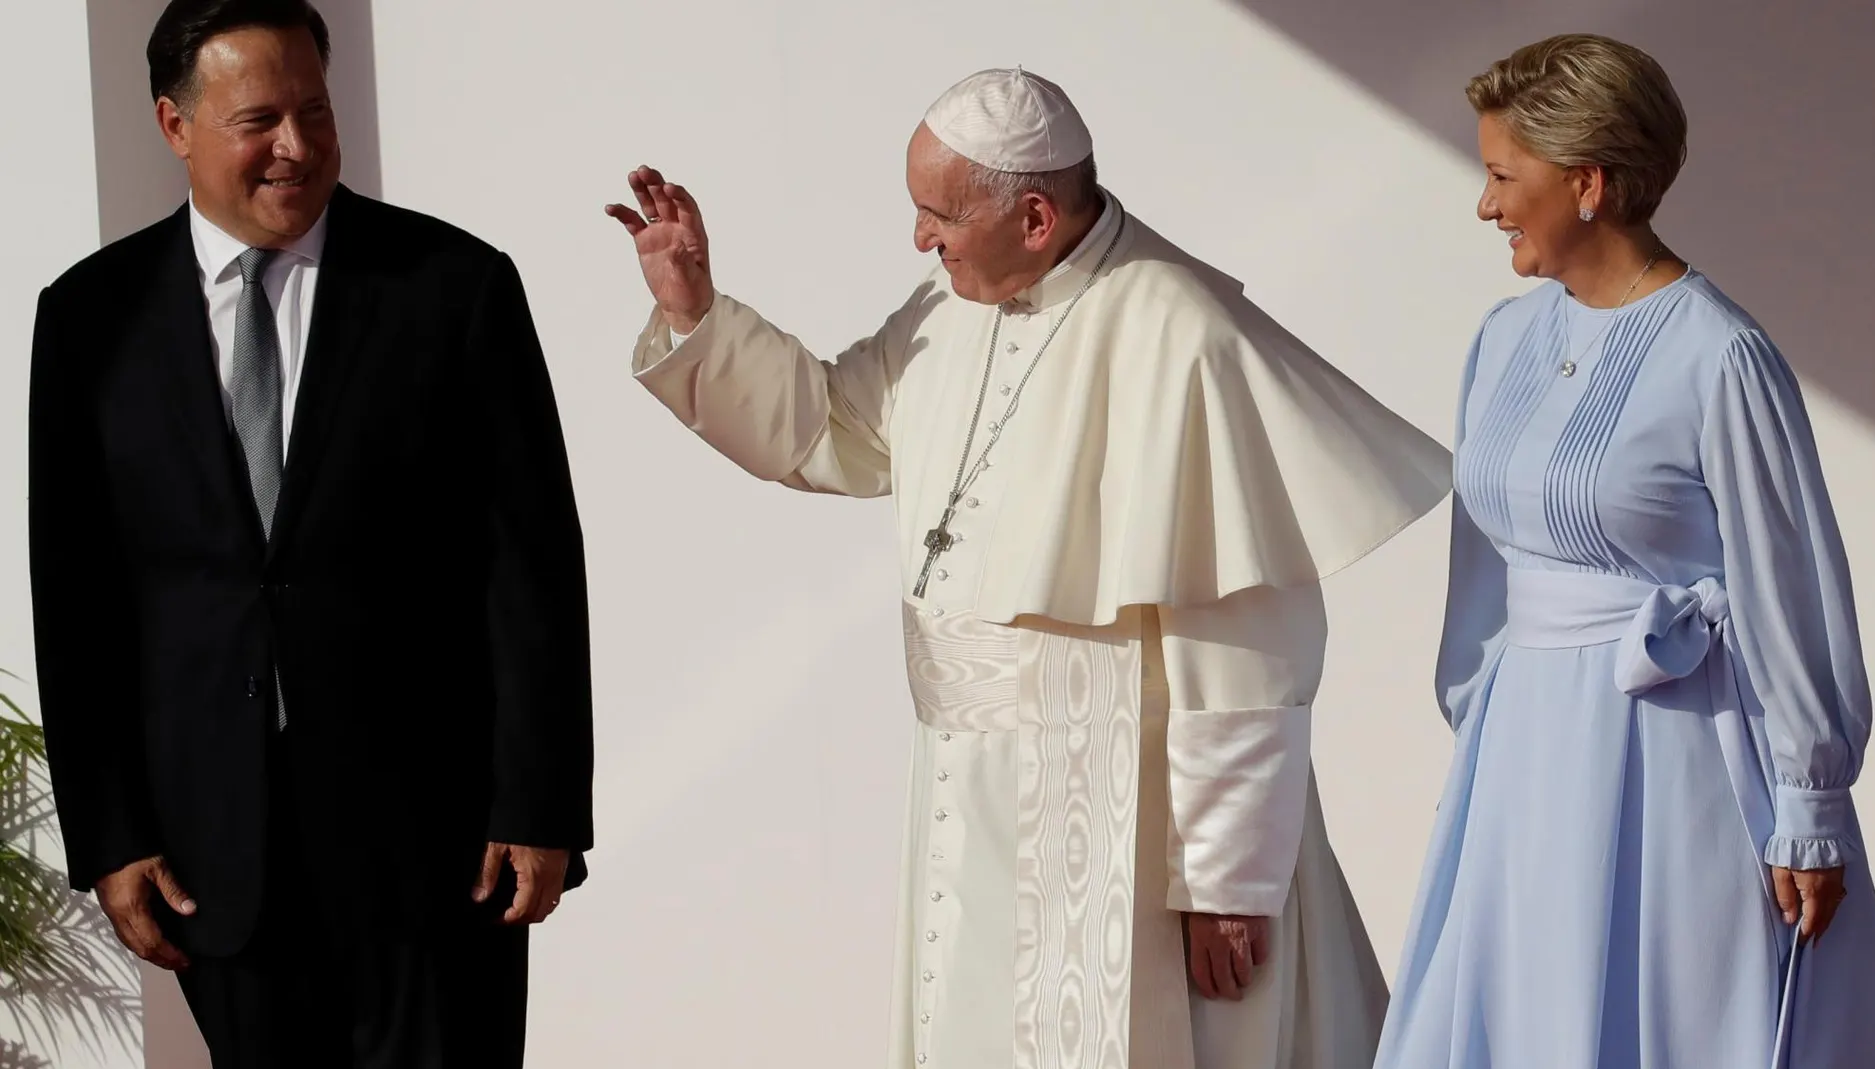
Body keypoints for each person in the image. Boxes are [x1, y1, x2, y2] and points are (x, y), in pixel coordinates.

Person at [612, 67, 1448, 1069]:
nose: (920, 240)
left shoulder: (1179, 330)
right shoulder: (957, 299)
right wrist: (699, 311)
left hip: (1123, 806)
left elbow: (1247, 642)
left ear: (1037, 217)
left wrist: (1226, 877)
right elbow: (834, 430)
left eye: (937, 218)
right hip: (970, 780)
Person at [26, 1, 595, 1065]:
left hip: (439, 847)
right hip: (214, 855)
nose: (297, 145)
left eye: (315, 112)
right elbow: (78, 593)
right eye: (259, 120)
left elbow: (531, 567)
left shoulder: (455, 288)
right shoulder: (87, 321)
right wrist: (110, 834)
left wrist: (542, 797)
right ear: (173, 124)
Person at [1375, 33, 1875, 1069]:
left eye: (1499, 176)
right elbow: (1483, 567)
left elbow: (1787, 584)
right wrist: (1482, 720)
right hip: (1523, 745)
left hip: (1671, 748)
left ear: (1587, 183)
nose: (1483, 205)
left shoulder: (1721, 356)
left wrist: (1810, 802)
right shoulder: (1502, 338)